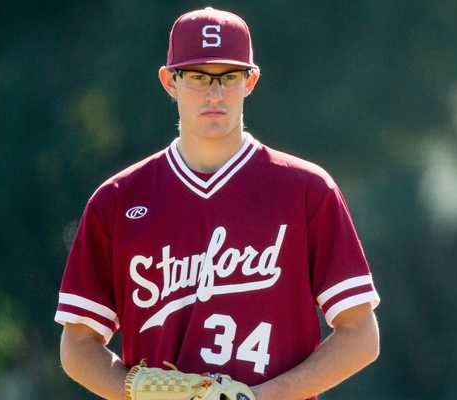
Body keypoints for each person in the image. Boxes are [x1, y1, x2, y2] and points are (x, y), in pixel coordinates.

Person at [55, 7, 380, 400]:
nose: (214, 92)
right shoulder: (119, 200)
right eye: (197, 76)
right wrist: (134, 393)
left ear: (251, 81)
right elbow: (78, 344)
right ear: (169, 81)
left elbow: (361, 334)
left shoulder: (307, 190)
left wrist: (258, 398)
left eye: (228, 76)